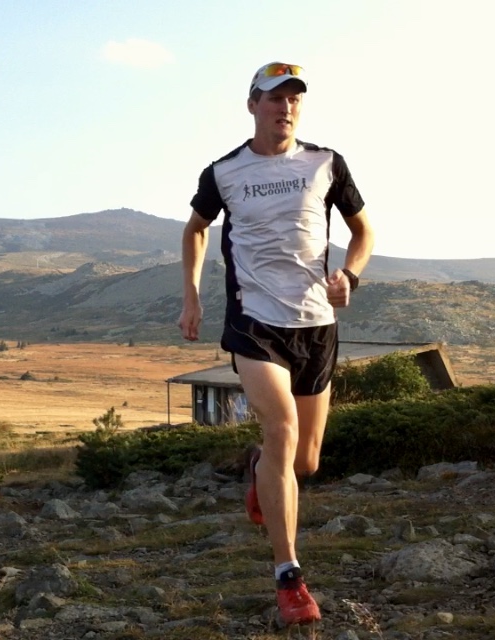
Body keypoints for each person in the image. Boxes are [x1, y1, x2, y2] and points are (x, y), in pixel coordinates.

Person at [177, 61, 375, 626]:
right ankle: (289, 578)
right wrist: (191, 297)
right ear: (252, 105)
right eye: (273, 98)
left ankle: (262, 470)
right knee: (282, 428)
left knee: (303, 460)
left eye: (293, 99)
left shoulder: (326, 164)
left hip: (316, 325)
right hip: (254, 321)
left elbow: (364, 231)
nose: (284, 108)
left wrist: (351, 276)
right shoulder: (225, 172)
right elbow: (195, 229)